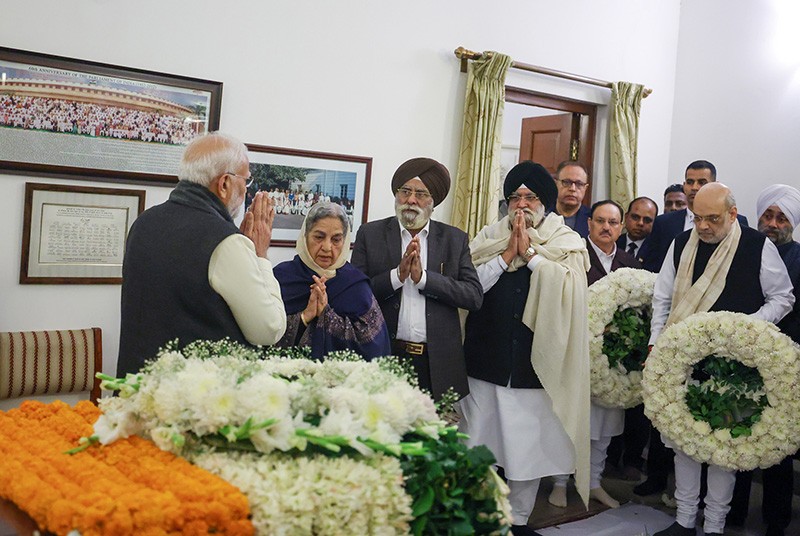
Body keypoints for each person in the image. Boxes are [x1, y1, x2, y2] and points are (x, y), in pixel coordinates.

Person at [650, 183, 794, 536]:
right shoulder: (681, 244)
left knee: (722, 448)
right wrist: (656, 344)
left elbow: (783, 297)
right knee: (684, 441)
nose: (702, 227)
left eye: (712, 219)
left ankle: (714, 526)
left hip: (736, 366)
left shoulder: (757, 245)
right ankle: (684, 521)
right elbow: (662, 299)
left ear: (732, 214)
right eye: (697, 218)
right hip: (684, 359)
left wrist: (741, 330)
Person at [458, 160, 590, 536]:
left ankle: (517, 520)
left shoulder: (566, 243)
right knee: (479, 443)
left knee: (527, 453)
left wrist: (531, 256)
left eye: (530, 197)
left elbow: (571, 290)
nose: (522, 204)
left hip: (535, 368)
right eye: (515, 196)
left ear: (544, 202)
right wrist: (504, 257)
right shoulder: (487, 237)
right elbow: (469, 289)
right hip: (485, 362)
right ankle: (481, 515)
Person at [117, 132, 286, 377]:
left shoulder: (144, 222)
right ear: (225, 183)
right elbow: (268, 330)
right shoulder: (225, 240)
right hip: (193, 400)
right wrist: (259, 255)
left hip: (140, 387)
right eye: (246, 181)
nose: (246, 191)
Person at [351, 157, 482, 400]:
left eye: (421, 194)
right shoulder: (370, 234)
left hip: (436, 366)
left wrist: (424, 279)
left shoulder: (454, 240)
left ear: (433, 202)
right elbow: (353, 295)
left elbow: (473, 296)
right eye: (405, 191)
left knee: (434, 435)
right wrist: (396, 277)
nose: (411, 200)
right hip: (384, 356)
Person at [726, 184, 800, 536]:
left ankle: (776, 519)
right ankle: (733, 512)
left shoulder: (799, 258)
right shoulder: (744, 251)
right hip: (743, 362)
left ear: (792, 223)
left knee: (777, 444)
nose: (772, 223)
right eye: (767, 216)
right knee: (739, 437)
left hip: (785, 365)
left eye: (780, 217)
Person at [274, 202, 391, 360]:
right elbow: (263, 335)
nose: (327, 247)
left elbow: (374, 344)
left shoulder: (355, 284)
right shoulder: (282, 277)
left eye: (336, 239)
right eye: (319, 237)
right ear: (305, 235)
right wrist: (305, 316)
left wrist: (326, 315)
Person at [640, 160, 749, 273]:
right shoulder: (664, 223)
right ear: (684, 185)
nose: (695, 187)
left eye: (702, 182)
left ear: (715, 184)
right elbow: (651, 266)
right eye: (690, 182)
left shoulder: (735, 220)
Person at [553, 160, 591, 237]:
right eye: (566, 182)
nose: (572, 188)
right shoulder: (542, 215)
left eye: (579, 184)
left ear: (585, 188)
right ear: (556, 184)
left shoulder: (593, 220)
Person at [617, 196, 658, 261]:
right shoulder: (614, 243)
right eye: (635, 217)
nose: (640, 223)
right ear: (626, 217)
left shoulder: (658, 250)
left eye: (647, 220)